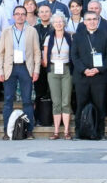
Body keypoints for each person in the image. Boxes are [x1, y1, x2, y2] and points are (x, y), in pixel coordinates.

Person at [0, 5, 39, 139]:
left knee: (27, 100)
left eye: (22, 14)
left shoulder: (32, 31)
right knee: (8, 100)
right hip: (10, 68)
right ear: (13, 16)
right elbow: (0, 53)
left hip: (26, 68)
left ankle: (29, 130)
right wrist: (0, 70)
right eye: (17, 14)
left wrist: (36, 70)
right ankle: (6, 131)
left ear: (26, 16)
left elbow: (37, 52)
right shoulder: (6, 31)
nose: (20, 16)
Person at [71, 11, 107, 140]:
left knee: (100, 106)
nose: (91, 21)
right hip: (82, 77)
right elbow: (75, 56)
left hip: (99, 77)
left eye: (94, 19)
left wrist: (98, 69)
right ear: (84, 22)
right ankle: (79, 132)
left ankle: (100, 133)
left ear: (98, 20)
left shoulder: (106, 36)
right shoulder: (77, 36)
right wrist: (84, 70)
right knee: (80, 105)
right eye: (88, 19)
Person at [43, 12, 74, 140]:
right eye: (56, 22)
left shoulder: (70, 37)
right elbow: (45, 56)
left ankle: (66, 131)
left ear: (64, 23)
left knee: (66, 101)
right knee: (56, 101)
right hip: (53, 69)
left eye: (61, 21)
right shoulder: (49, 38)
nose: (58, 24)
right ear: (52, 24)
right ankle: (56, 131)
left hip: (67, 69)